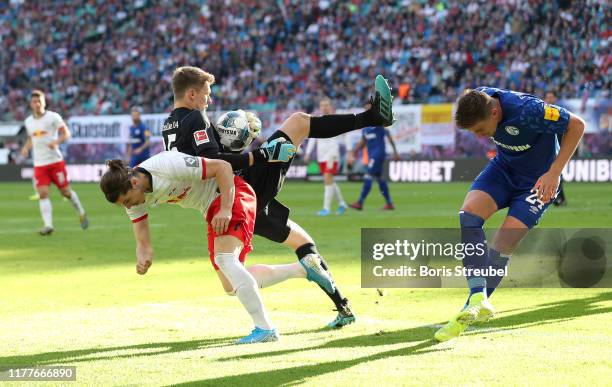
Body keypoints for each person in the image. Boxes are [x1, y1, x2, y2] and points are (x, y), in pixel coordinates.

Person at [161, 66, 394, 328]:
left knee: (294, 248)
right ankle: (373, 117)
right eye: (206, 94)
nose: (209, 99)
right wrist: (262, 154)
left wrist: (233, 137)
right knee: (299, 123)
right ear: (192, 94)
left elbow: (203, 159)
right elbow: (215, 161)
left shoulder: (169, 125)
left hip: (236, 206)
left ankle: (344, 308)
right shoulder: (195, 118)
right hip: (239, 192)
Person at [100, 152, 332, 344]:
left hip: (230, 194)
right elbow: (143, 242)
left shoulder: (164, 165)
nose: (129, 206)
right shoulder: (133, 195)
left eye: (128, 201)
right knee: (231, 285)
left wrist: (226, 209)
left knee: (225, 259)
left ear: (133, 183)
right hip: (212, 209)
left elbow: (222, 167)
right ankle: (302, 269)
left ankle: (265, 328)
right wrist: (143, 257)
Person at [434, 87, 585, 342]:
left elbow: (577, 125)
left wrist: (554, 173)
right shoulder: (481, 99)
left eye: (481, 130)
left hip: (537, 182)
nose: (480, 137)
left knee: (503, 244)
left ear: (495, 112)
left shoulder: (530, 110)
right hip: (503, 170)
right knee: (468, 214)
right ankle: (478, 296)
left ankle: (468, 311)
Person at [20, 90, 88, 235]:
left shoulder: (53, 117)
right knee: (43, 193)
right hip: (39, 164)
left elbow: (66, 133)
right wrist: (26, 148)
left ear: (44, 102)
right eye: (34, 101)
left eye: (39, 101)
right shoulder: (28, 122)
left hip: (55, 162)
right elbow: (31, 138)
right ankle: (48, 225)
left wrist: (56, 141)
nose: (37, 104)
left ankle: (81, 212)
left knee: (65, 192)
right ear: (31, 104)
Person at [348, 101, 400, 210]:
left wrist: (395, 152)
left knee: (368, 176)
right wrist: (353, 152)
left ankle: (360, 202)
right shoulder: (365, 128)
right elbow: (363, 142)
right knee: (380, 179)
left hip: (378, 155)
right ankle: (389, 203)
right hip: (372, 156)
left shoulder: (379, 123)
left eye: (369, 109)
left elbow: (389, 136)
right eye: (366, 110)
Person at [303, 97, 347, 216]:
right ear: (319, 107)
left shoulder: (336, 119)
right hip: (321, 155)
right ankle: (342, 204)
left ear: (331, 106)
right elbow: (312, 139)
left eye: (326, 105)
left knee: (327, 178)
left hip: (332, 154)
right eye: (322, 105)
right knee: (329, 181)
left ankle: (326, 209)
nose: (324, 107)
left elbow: (345, 135)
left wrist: (349, 151)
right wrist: (307, 153)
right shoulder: (316, 121)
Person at [544, 90, 568, 206]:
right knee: (552, 173)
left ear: (555, 99)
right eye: (547, 97)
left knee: (556, 173)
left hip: (557, 149)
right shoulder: (542, 113)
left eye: (550, 97)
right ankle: (557, 198)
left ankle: (558, 198)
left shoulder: (560, 114)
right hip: (545, 149)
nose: (548, 99)